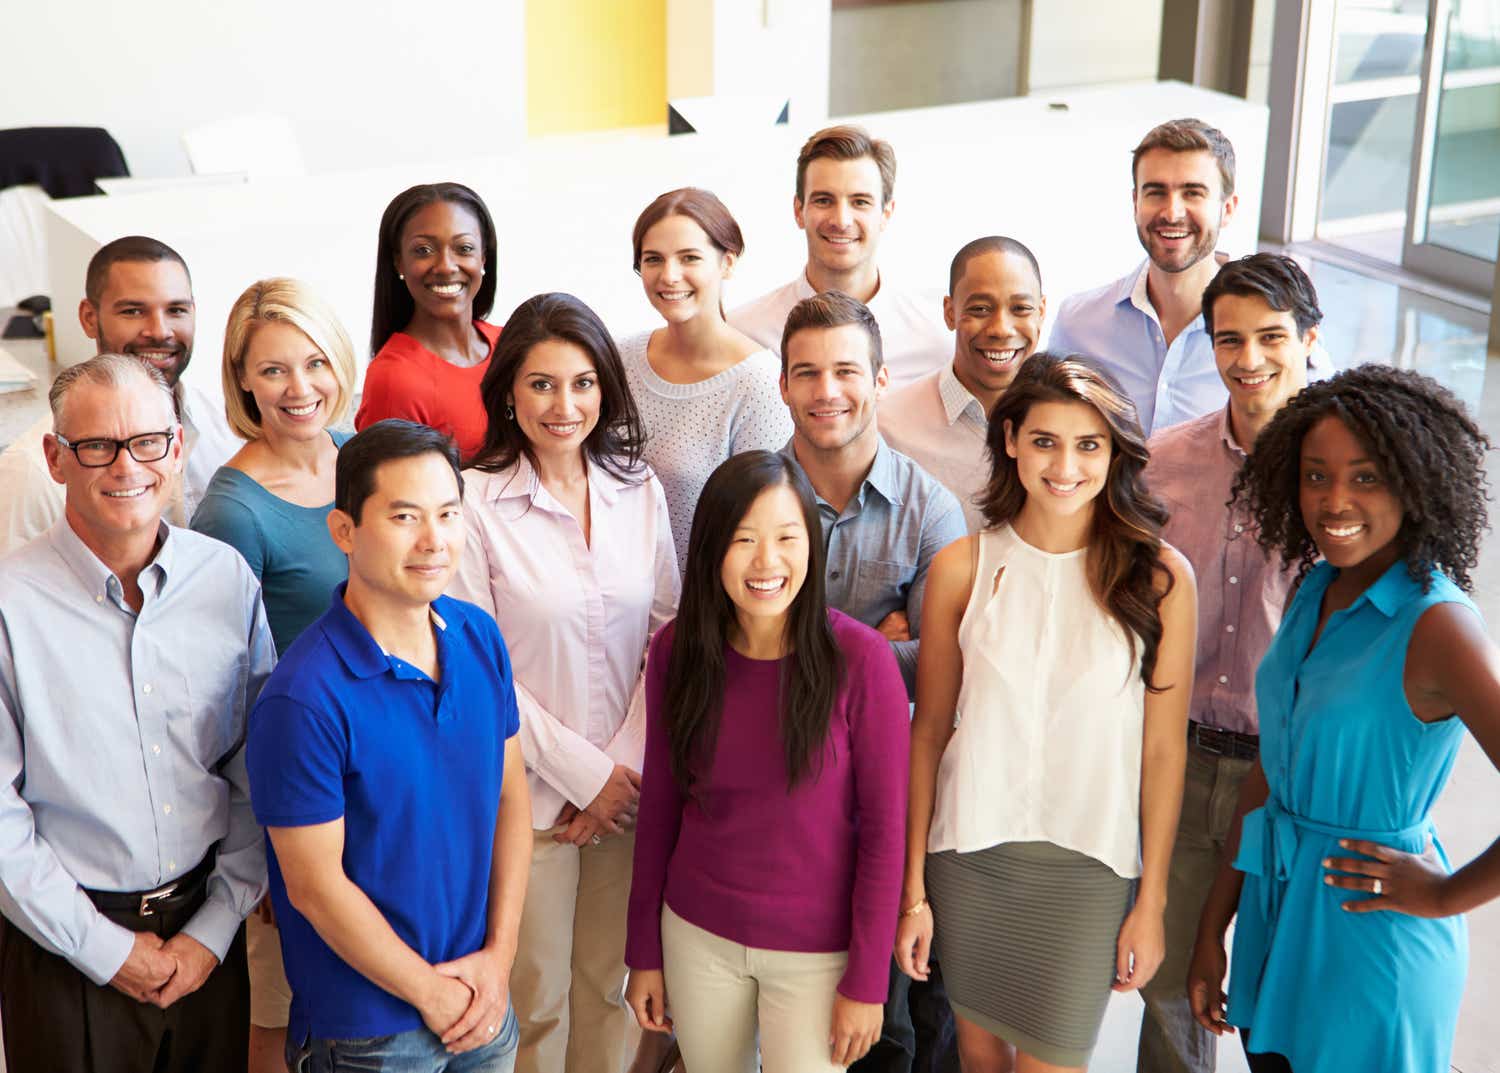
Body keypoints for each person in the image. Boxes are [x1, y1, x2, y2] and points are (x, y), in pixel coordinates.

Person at [1187, 366, 1500, 1073]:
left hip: (1371, 942)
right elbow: (1271, 769)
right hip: (1280, 917)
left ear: (1413, 483)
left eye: (1365, 478)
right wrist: (1215, 925)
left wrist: (1447, 893)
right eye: (1315, 475)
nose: (1334, 501)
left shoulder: (1438, 625)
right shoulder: (1316, 584)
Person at [897, 354, 1197, 1071]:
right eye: (1045, 441)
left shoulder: (1160, 578)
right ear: (1010, 441)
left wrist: (1151, 899)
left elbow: (1162, 753)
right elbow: (930, 732)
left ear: (1114, 452)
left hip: (1088, 870)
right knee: (979, 1058)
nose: (1066, 465)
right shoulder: (963, 567)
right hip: (968, 856)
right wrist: (913, 889)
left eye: (1089, 444)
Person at [0, 353, 275, 1073]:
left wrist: (214, 929)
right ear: (57, 459)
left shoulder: (227, 581)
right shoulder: (8, 605)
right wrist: (106, 949)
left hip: (204, 945)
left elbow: (257, 773)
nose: (127, 466)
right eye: (97, 446)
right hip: (63, 948)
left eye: (148, 442)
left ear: (177, 447)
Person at [248, 420, 530, 1072]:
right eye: (404, 516)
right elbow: (315, 887)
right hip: (369, 1030)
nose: (434, 540)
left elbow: (511, 799)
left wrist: (500, 957)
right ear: (344, 530)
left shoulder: (478, 636)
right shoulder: (304, 697)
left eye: (447, 514)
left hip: (481, 995)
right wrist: (430, 992)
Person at [449, 293, 679, 1073]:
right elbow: (475, 666)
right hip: (526, 801)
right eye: (542, 383)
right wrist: (582, 773)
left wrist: (619, 771)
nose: (564, 404)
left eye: (582, 383)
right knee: (535, 1001)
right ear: (507, 389)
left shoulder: (637, 487)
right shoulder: (473, 502)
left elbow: (668, 635)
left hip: (629, 796)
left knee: (613, 996)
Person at [624, 450, 910, 1073]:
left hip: (819, 954)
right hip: (698, 935)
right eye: (743, 540)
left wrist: (868, 981)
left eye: (786, 538)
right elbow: (660, 811)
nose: (766, 562)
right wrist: (643, 949)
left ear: (812, 543)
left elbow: (887, 837)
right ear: (710, 550)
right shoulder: (678, 651)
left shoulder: (861, 661)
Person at [1138, 253, 1330, 1073]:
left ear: (1310, 339)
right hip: (1179, 757)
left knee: (1279, 995)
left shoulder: (1346, 475)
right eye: (1229, 339)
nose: (1248, 358)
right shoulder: (1162, 460)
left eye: (1271, 337)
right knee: (1173, 981)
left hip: (1290, 770)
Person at [188, 277, 359, 1072]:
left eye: (315, 362)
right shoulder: (233, 509)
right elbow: (219, 694)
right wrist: (251, 849)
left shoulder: (361, 455)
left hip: (373, 777)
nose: (300, 389)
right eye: (275, 370)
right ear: (242, 379)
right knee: (279, 1014)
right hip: (292, 796)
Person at [0, 235, 241, 555]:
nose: (159, 330)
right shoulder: (32, 471)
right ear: (89, 318)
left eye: (176, 310)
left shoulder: (230, 428)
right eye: (133, 311)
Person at [619, 187, 793, 571]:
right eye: (653, 260)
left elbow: (767, 526)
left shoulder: (758, 384)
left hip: (703, 611)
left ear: (727, 263)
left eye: (689, 258)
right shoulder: (619, 359)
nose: (669, 275)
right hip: (614, 602)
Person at [1048, 119, 1239, 435]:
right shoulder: (1076, 325)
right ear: (1135, 202)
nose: (1172, 212)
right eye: (1156, 192)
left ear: (1228, 209)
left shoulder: (1269, 338)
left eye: (1193, 193)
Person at [729, 125, 947, 391]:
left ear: (886, 213)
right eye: (823, 200)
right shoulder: (743, 335)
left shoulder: (937, 339)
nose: (841, 221)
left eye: (860, 202)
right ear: (799, 210)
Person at [881, 236, 1047, 532]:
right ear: (950, 312)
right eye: (981, 309)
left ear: (1041, 312)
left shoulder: (1071, 423)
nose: (1000, 329)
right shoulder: (888, 429)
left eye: (1020, 308)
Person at [356, 182, 501, 461]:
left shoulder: (512, 344)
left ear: (484, 256)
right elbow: (389, 497)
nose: (446, 266)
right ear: (398, 262)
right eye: (423, 250)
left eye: (464, 248)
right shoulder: (395, 381)